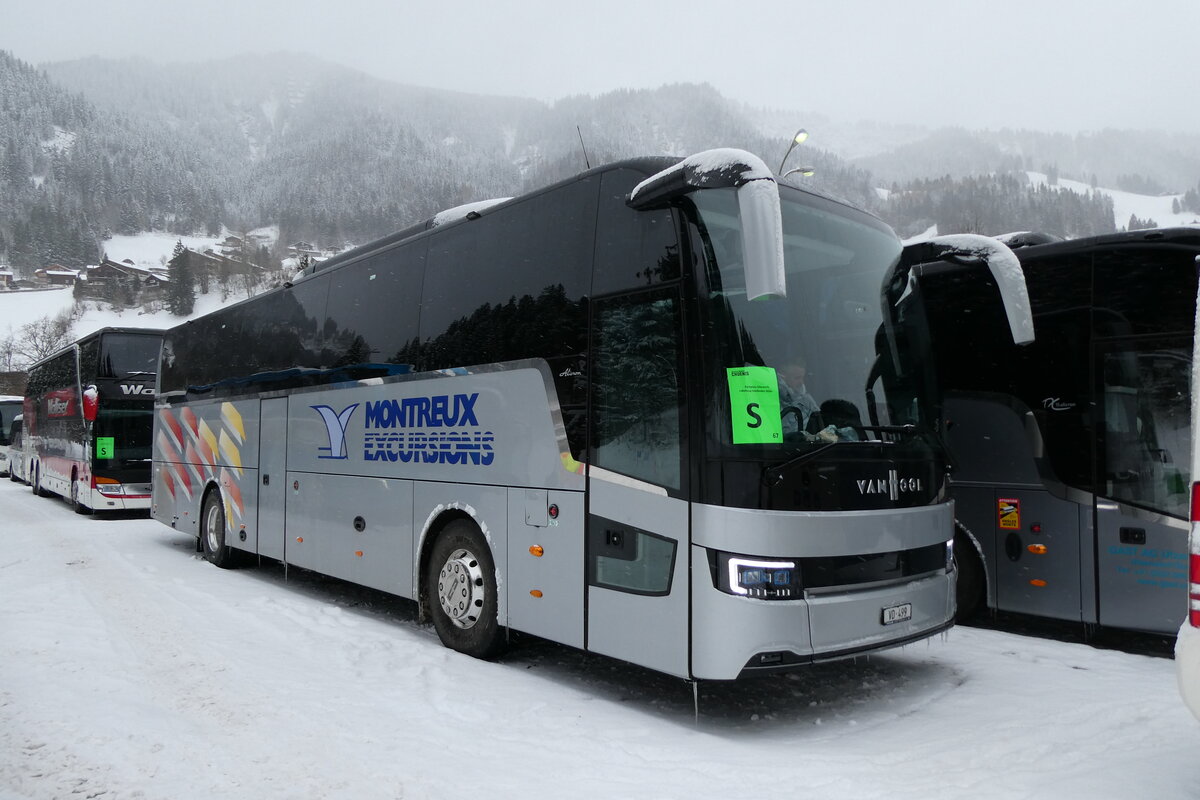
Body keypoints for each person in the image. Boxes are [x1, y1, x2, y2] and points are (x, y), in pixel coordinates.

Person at [777, 357, 819, 435]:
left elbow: (820, 423)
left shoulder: (806, 399)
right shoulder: (774, 400)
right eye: (797, 378)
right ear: (782, 378)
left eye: (802, 377)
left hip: (819, 446)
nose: (801, 382)